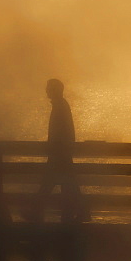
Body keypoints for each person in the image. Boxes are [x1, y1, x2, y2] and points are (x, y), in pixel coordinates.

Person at [34, 79, 89, 224]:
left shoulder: (60, 106)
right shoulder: (61, 105)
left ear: (54, 90)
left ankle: (36, 212)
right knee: (69, 184)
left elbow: (60, 131)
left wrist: (55, 147)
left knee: (51, 183)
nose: (46, 91)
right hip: (62, 152)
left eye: (48, 88)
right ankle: (77, 213)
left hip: (59, 152)